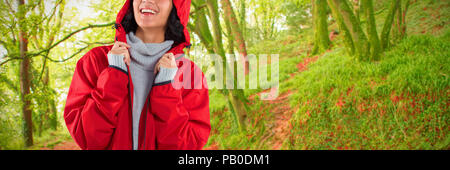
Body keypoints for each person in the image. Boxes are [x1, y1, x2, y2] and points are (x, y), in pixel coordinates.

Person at [64, 0, 211, 150]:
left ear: (177, 7)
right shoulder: (95, 61)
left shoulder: (191, 75)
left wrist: (166, 89)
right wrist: (113, 73)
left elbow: (187, 148)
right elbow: (88, 140)